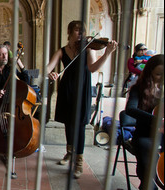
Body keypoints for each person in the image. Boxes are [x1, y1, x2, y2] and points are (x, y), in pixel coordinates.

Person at [47, 20, 118, 178]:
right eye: (78, 31)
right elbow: (48, 67)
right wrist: (50, 73)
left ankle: (78, 161)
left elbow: (92, 68)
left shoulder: (88, 49)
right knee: (68, 122)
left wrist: (107, 53)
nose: (81, 34)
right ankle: (70, 152)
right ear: (70, 32)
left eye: (82, 31)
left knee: (79, 124)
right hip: (67, 88)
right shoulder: (62, 51)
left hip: (82, 88)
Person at [125, 54, 163, 190]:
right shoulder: (138, 89)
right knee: (147, 148)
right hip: (145, 134)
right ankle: (149, 187)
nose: (161, 78)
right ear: (149, 72)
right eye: (158, 74)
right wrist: (156, 120)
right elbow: (130, 110)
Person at [0, 44, 30, 164]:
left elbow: (27, 81)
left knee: (11, 128)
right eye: (1, 54)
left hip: (10, 105)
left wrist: (19, 63)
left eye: (6, 53)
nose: (5, 56)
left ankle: (7, 152)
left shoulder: (11, 70)